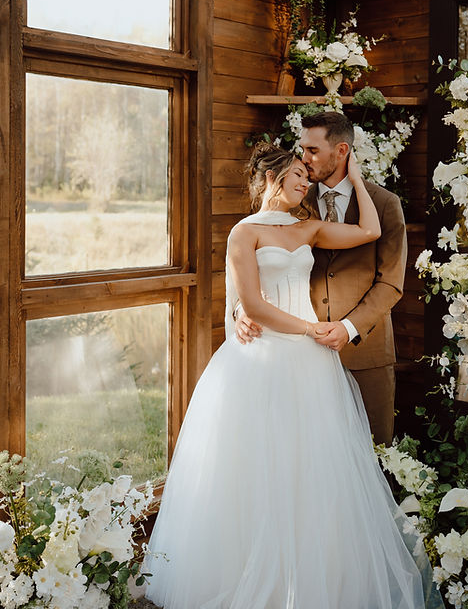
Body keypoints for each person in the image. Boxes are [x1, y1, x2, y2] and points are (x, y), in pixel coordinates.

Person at [143, 143, 438, 609]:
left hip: (310, 364)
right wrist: (308, 328)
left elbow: (370, 230)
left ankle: (318, 577)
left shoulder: (309, 228)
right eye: (298, 175)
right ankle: (251, 575)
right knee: (257, 465)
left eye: (307, 175)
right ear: (270, 179)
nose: (307, 182)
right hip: (262, 358)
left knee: (315, 464)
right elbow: (254, 305)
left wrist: (357, 177)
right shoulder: (244, 234)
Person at [236, 111, 407, 445]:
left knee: (373, 455)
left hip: (364, 353)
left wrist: (348, 327)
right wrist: (243, 310)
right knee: (305, 454)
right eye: (302, 149)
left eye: (312, 151)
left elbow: (391, 283)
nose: (304, 158)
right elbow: (256, 261)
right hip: (299, 353)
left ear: (341, 151)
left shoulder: (384, 204)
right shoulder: (292, 200)